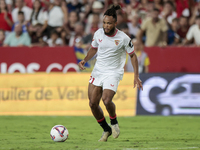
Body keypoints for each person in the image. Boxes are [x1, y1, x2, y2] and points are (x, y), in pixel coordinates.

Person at [78, 5, 143, 142]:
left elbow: (133, 56)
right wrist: (84, 60)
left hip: (113, 72)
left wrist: (136, 76)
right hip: (98, 71)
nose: (106, 26)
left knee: (106, 100)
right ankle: (106, 129)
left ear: (115, 23)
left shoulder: (123, 38)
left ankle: (114, 122)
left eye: (109, 23)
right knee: (92, 104)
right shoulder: (98, 34)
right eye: (104, 22)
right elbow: (93, 49)